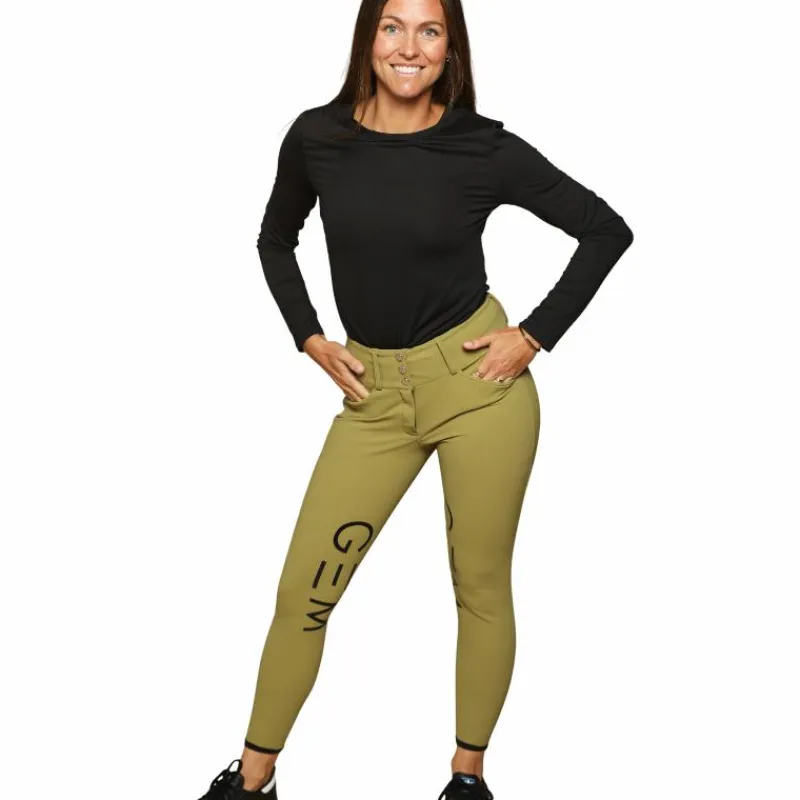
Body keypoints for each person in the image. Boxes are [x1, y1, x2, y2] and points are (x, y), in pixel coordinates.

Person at [196, 0, 633, 797]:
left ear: (449, 48)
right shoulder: (317, 138)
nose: (409, 47)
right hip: (373, 395)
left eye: (429, 30)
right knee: (304, 594)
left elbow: (606, 228)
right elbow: (274, 238)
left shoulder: (480, 147)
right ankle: (251, 780)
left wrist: (534, 334)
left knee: (479, 585)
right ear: (368, 38)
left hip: (479, 388)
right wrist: (308, 335)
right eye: (392, 27)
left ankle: (467, 779)